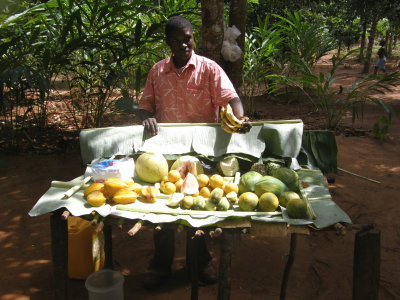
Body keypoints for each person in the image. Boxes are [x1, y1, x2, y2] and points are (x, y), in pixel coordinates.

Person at [138, 16, 245, 289]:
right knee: (163, 213)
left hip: (203, 155)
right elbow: (145, 105)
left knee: (199, 210)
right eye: (177, 40)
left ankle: (201, 262)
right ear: (168, 42)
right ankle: (161, 266)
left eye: (188, 38)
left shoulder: (209, 69)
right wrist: (146, 117)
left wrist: (239, 119)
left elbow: (231, 99)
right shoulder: (157, 71)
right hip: (167, 155)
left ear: (193, 37)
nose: (184, 44)